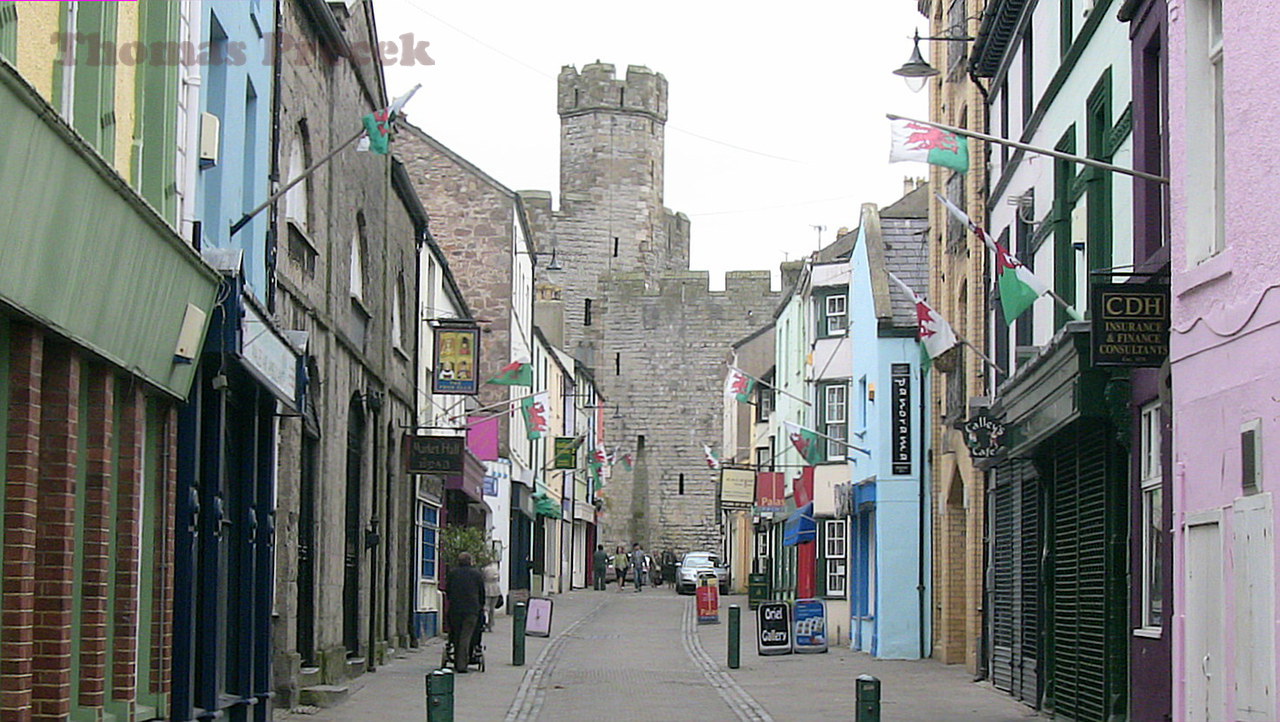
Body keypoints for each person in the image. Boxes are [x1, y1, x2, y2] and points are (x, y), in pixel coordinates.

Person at [445, 552, 486, 672]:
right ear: (470, 561)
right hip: (471, 610)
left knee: (456, 634)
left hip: (455, 609)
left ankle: (458, 658)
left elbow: (448, 590)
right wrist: (480, 605)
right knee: (466, 636)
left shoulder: (453, 573)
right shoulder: (476, 574)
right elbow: (481, 593)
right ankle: (462, 664)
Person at [482, 559, 502, 632]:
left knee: (485, 607)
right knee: (492, 609)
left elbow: (482, 578)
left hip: (487, 588)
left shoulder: (484, 570)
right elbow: (498, 578)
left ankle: (485, 622)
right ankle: (490, 624)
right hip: (495, 589)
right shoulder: (495, 569)